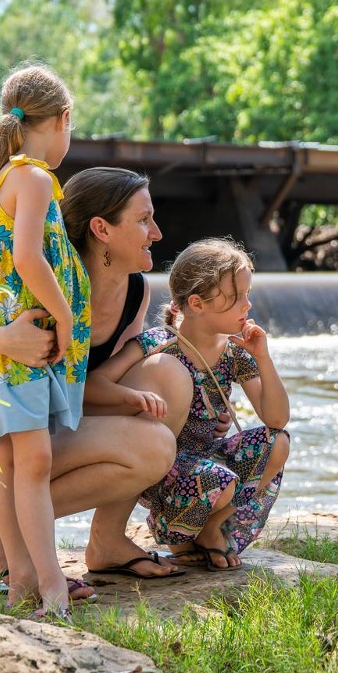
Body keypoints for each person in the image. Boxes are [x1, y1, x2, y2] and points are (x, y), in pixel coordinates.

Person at [0, 167, 187, 591]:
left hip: (49, 438)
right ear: (102, 230)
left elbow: (91, 387)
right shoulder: (38, 283)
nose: (158, 232)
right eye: (144, 219)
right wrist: (4, 338)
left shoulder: (136, 291)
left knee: (168, 377)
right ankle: (11, 539)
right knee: (153, 445)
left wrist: (141, 401)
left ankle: (107, 542)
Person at [0, 63, 87, 617]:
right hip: (23, 344)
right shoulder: (31, 177)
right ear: (62, 120)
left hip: (7, 347)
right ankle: (52, 587)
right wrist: (64, 315)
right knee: (33, 464)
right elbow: (26, 257)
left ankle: (21, 579)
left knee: (11, 463)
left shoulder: (11, 175)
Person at [88, 238, 291, 571]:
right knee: (220, 480)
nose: (247, 306)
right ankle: (176, 532)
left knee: (277, 442)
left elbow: (277, 418)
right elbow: (94, 385)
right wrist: (133, 397)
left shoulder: (234, 353)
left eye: (247, 294)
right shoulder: (158, 343)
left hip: (208, 459)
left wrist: (263, 358)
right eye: (237, 297)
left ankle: (211, 527)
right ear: (197, 303)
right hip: (164, 468)